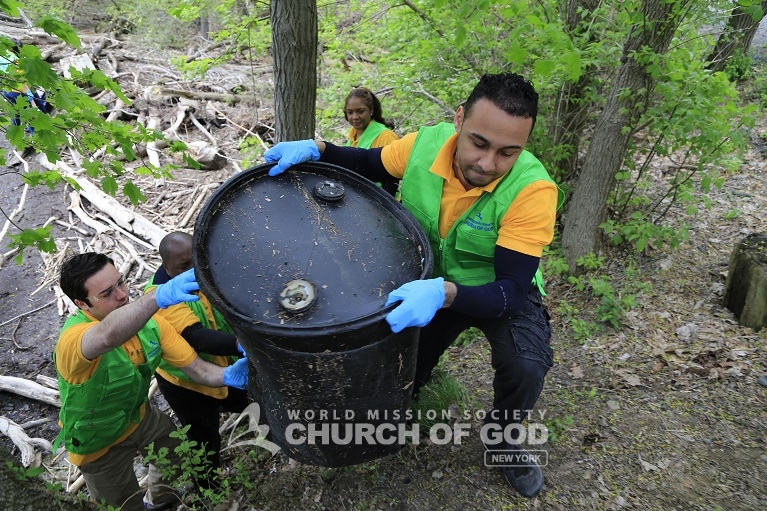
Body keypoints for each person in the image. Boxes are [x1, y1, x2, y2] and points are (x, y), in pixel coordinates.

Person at [264, 73, 558, 499]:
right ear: (459, 120)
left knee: (525, 364)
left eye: (508, 152)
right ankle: (396, 410)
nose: (488, 163)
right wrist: (319, 149)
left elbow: (512, 290)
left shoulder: (532, 188)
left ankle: (504, 436)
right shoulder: (423, 144)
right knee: (402, 362)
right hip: (426, 279)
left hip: (494, 291)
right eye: (479, 142)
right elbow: (368, 164)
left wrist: (446, 294)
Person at [54, 253, 249, 511]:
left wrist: (227, 376)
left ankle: (159, 500)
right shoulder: (72, 342)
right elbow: (107, 335)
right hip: (96, 439)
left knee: (177, 454)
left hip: (140, 416)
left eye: (121, 283)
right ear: (82, 304)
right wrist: (157, 297)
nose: (122, 295)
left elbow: (198, 370)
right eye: (107, 293)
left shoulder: (152, 324)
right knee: (122, 505)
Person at [144, 231, 248, 490]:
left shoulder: (208, 270)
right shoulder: (161, 298)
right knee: (203, 437)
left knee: (252, 399)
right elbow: (196, 337)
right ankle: (207, 491)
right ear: (166, 268)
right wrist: (243, 344)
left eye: (196, 261)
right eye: (183, 266)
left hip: (221, 364)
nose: (194, 270)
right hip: (185, 381)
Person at [343, 86, 400, 196]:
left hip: (379, 202)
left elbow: (392, 180)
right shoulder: (352, 137)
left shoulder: (385, 135)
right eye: (350, 112)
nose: (354, 117)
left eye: (360, 111)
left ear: (371, 110)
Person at [0, 37, 51, 134]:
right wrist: (30, 98)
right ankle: (37, 136)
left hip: (7, 91)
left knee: (16, 114)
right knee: (32, 114)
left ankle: (16, 134)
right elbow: (21, 80)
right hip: (20, 92)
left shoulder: (2, 55)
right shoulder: (16, 61)